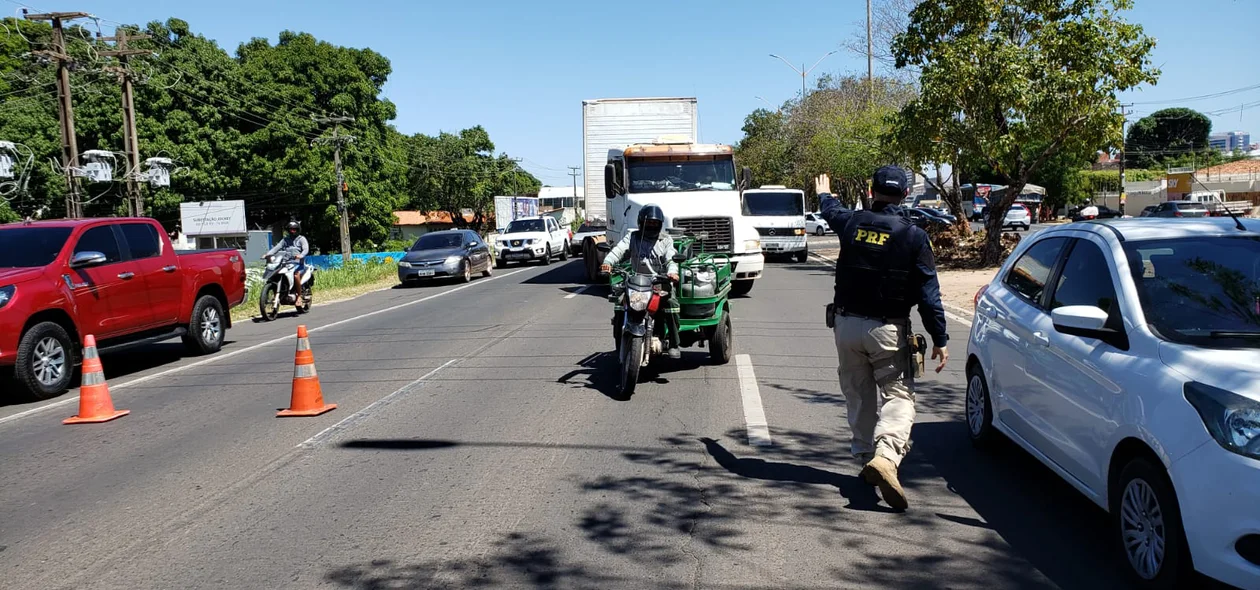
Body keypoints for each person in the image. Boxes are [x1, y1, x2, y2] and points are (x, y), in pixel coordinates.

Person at [816, 167, 949, 511]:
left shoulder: (852, 223)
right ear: (906, 195)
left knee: (858, 394)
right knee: (898, 396)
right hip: (887, 331)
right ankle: (886, 456)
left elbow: (831, 211)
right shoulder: (913, 236)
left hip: (845, 327)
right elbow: (929, 295)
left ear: (872, 191)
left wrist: (825, 194)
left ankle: (865, 459)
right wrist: (940, 338)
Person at [600, 205, 682, 359]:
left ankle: (674, 343)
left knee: (671, 303)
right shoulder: (633, 237)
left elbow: (671, 257)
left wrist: (672, 272)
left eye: (654, 223)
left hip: (659, 283)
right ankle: (620, 338)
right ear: (640, 222)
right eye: (648, 223)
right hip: (636, 282)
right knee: (619, 302)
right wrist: (608, 262)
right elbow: (619, 250)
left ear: (660, 224)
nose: (651, 226)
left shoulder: (665, 240)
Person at [265, 221, 310, 299]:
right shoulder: (285, 240)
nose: (292, 231)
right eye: (290, 229)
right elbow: (277, 247)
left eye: (294, 229)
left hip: (298, 263)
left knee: (296, 275)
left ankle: (299, 296)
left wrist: (301, 255)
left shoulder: (302, 239)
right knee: (276, 272)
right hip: (287, 263)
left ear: (298, 230)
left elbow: (306, 249)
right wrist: (268, 254)